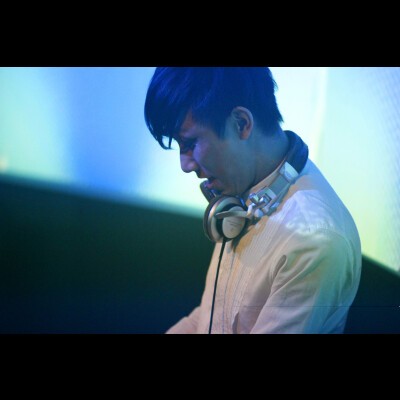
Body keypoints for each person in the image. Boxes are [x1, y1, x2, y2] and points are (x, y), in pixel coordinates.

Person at [144, 67, 362, 334]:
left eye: (189, 144)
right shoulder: (239, 197)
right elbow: (209, 319)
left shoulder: (313, 239)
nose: (185, 165)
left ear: (241, 123)